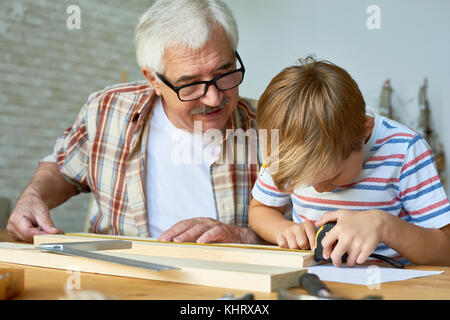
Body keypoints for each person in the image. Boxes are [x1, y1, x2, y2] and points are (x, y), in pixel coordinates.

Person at [7, 0, 263, 244]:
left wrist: (245, 237)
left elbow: (300, 228)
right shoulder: (107, 109)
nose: (214, 97)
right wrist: (33, 197)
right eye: (191, 85)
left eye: (224, 73)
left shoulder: (266, 125)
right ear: (153, 80)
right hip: (121, 279)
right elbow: (64, 168)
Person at [249, 56, 450, 267]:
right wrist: (283, 229)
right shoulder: (285, 145)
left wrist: (384, 226)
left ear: (365, 132)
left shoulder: (405, 149)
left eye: (333, 176)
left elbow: (446, 251)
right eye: (304, 181)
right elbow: (261, 209)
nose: (319, 189)